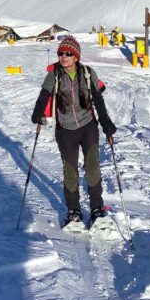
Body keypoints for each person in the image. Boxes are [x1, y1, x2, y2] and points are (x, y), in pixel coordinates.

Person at [31, 34, 117, 228]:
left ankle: (97, 209)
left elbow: (98, 100)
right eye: (61, 53)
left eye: (68, 53)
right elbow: (43, 96)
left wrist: (106, 123)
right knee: (70, 173)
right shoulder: (53, 75)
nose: (63, 57)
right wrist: (37, 113)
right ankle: (74, 211)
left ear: (76, 56)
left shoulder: (88, 73)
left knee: (92, 168)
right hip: (65, 129)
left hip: (88, 127)